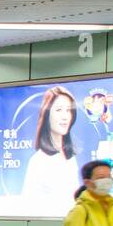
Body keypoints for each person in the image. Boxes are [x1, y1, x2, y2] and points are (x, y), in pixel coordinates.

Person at [21, 86, 79, 217]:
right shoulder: (38, 161)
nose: (65, 117)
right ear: (47, 114)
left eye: (68, 110)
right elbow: (28, 207)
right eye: (59, 110)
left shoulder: (71, 158)